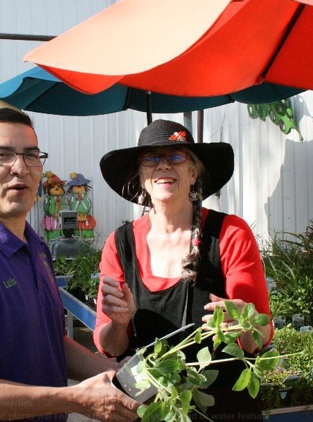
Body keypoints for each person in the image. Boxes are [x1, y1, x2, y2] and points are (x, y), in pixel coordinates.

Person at [0, 108, 140, 422]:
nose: (20, 168)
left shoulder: (35, 247)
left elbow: (50, 342)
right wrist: (75, 399)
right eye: (2, 155)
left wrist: (116, 374)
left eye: (31, 155)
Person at [94, 120, 273, 420]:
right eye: (151, 158)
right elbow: (111, 347)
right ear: (141, 177)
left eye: (176, 156)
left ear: (193, 173)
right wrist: (117, 322)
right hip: (152, 409)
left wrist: (245, 323)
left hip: (225, 409)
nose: (163, 165)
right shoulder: (119, 244)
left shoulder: (229, 234)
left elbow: (261, 336)